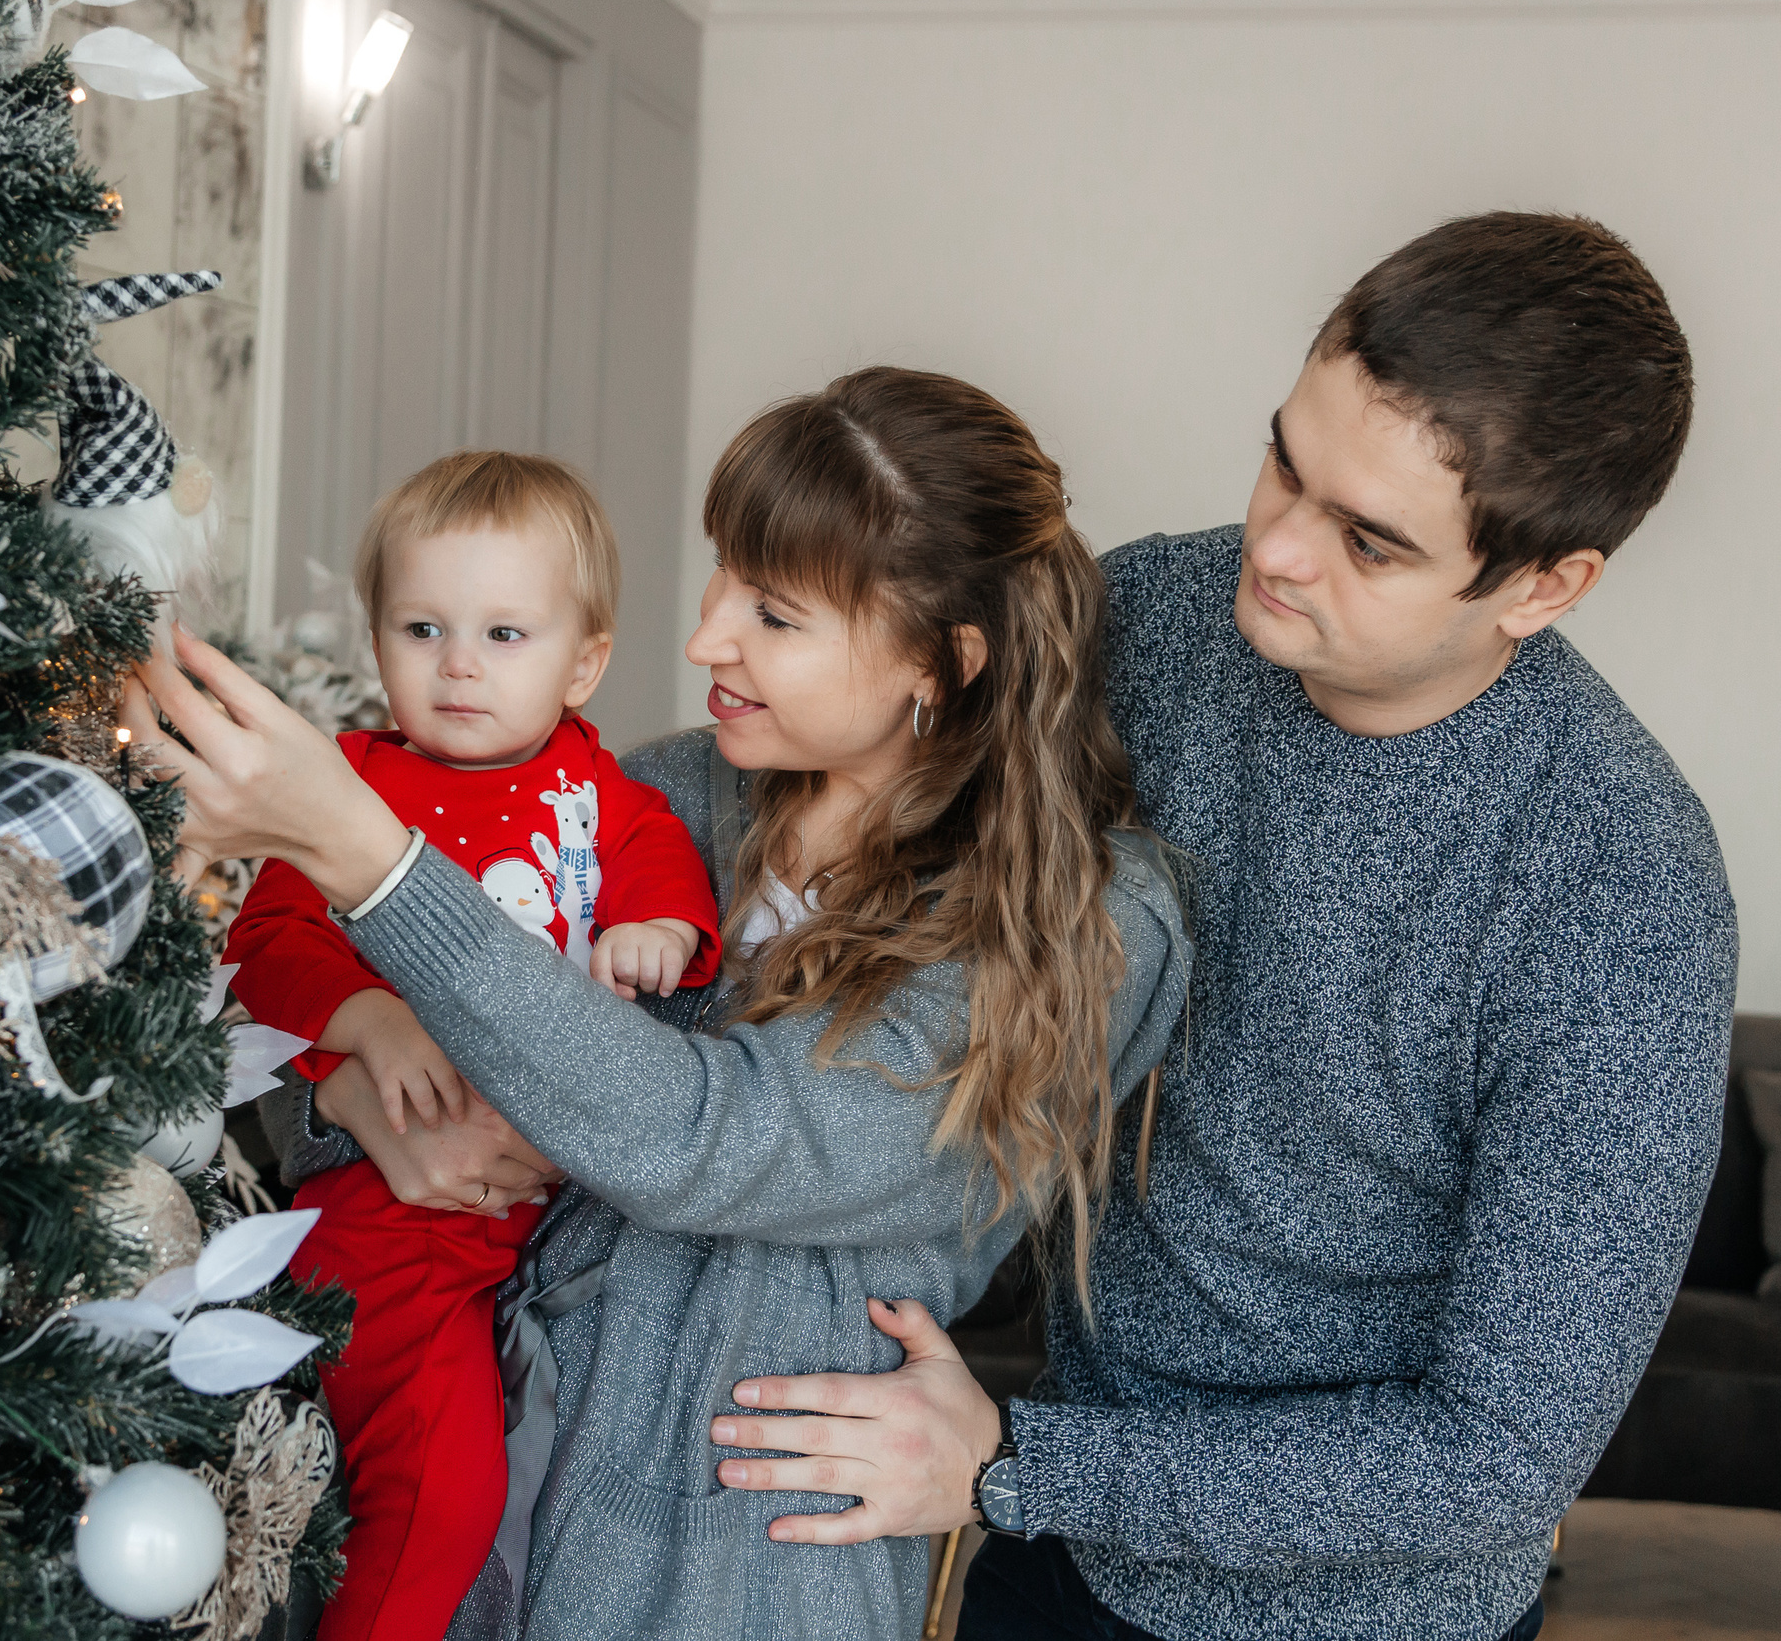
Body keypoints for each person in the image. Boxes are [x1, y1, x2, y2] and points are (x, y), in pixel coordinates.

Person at [702, 214, 1739, 1641]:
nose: (1279, 545)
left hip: (1361, 1611)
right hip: (1050, 1540)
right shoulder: (1162, 616)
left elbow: (1497, 1452)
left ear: (1542, 586)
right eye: (1283, 462)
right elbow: (852, 767)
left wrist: (1015, 1461)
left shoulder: (1618, 886)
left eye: (1369, 540)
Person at [134, 369, 1193, 1640]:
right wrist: (345, 1094)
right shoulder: (676, 787)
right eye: (722, 578)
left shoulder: (1079, 917)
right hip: (488, 1459)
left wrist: (370, 858)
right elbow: (438, 1011)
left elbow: (715, 1138)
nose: (703, 643)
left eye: (776, 613)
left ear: (941, 662)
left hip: (731, 1550)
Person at [224, 451, 723, 1641]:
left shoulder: (604, 793)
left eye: (504, 632)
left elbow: (666, 887)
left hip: (542, 1226)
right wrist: (368, 1017)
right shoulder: (350, 783)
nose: (457, 663)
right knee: (440, 1492)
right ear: (378, 637)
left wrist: (659, 929)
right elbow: (265, 944)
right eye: (422, 627)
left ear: (583, 660)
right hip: (398, 1224)